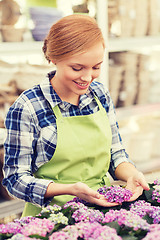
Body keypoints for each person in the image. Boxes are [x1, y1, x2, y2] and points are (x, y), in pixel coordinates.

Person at [2, 14, 149, 217]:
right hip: (50, 218)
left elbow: (115, 152)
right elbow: (15, 179)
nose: (88, 77)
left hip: (101, 210)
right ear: (54, 58)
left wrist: (131, 174)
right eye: (77, 68)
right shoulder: (28, 107)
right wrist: (70, 189)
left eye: (96, 67)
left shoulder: (100, 94)